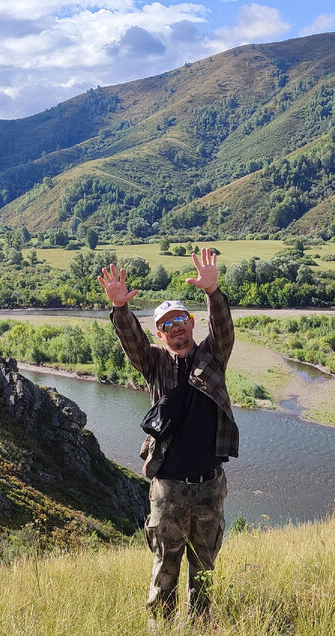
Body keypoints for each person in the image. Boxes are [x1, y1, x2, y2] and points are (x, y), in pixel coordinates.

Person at [98, 248, 239, 621]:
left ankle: (200, 627)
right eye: (167, 323)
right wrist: (121, 310)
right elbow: (132, 343)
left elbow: (224, 329)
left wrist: (214, 294)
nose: (176, 326)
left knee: (204, 570)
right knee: (165, 570)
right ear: (160, 333)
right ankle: (159, 628)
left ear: (191, 323)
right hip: (168, 487)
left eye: (181, 318)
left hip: (210, 485)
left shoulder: (212, 357)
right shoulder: (156, 363)